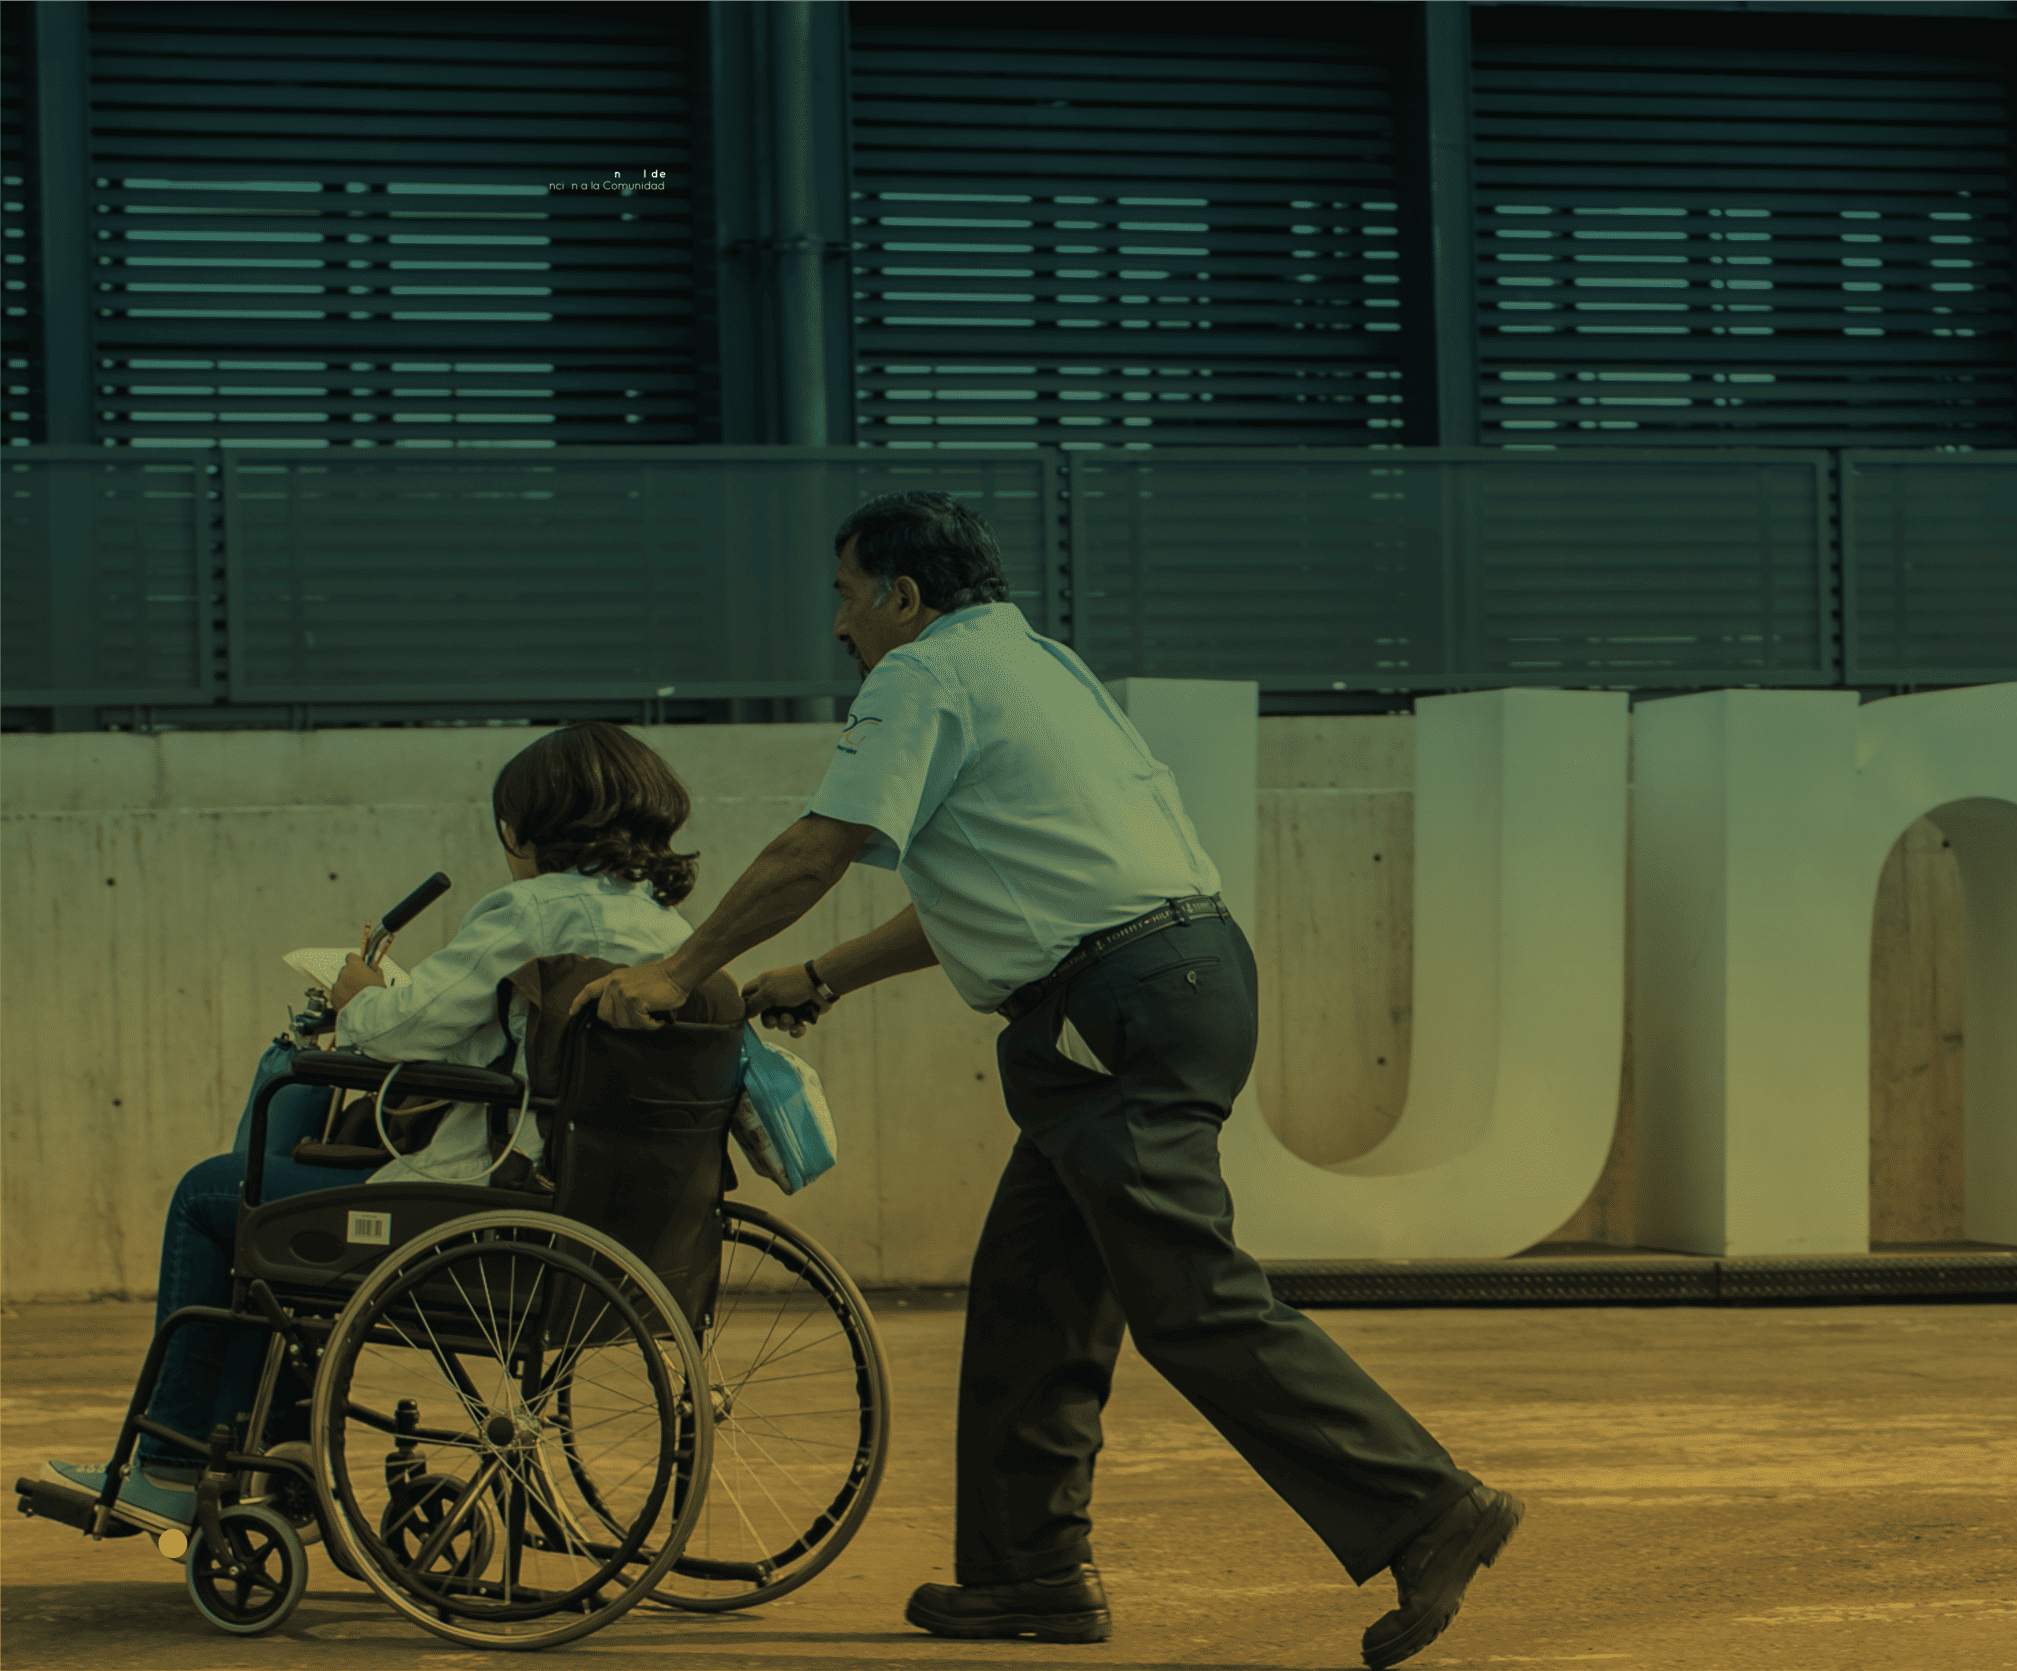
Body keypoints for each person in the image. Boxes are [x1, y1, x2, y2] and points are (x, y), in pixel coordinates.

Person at [575, 490, 1523, 1670]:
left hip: (1108, 1007)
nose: (838, 625)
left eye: (847, 596)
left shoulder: (921, 677)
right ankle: (1028, 1575)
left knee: (1189, 1296)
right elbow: (1002, 889)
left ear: (903, 596)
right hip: (1172, 978)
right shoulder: (1038, 667)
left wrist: (678, 971)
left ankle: (1426, 1507)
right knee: (1034, 1290)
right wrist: (820, 976)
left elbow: (819, 846)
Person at [39, 720, 797, 1531]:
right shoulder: (675, 936)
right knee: (260, 1198)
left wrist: (358, 994)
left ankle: (178, 1462)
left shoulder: (530, 909)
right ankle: (272, 1440)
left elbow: (401, 1029)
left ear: (521, 829)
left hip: (489, 1207)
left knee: (214, 1194)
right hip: (623, 1234)